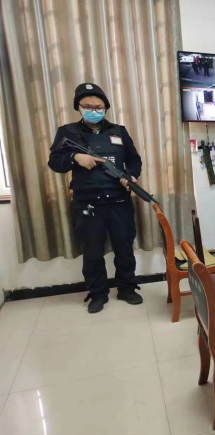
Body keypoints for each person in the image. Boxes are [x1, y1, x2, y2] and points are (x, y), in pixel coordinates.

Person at [48, 83, 144, 313]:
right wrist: (75, 157)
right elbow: (54, 162)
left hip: (119, 200)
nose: (94, 110)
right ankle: (98, 294)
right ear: (78, 108)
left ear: (105, 108)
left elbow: (134, 159)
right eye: (88, 106)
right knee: (92, 252)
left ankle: (127, 288)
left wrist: (131, 176)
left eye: (99, 107)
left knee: (124, 248)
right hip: (87, 202)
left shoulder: (119, 131)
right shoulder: (67, 132)